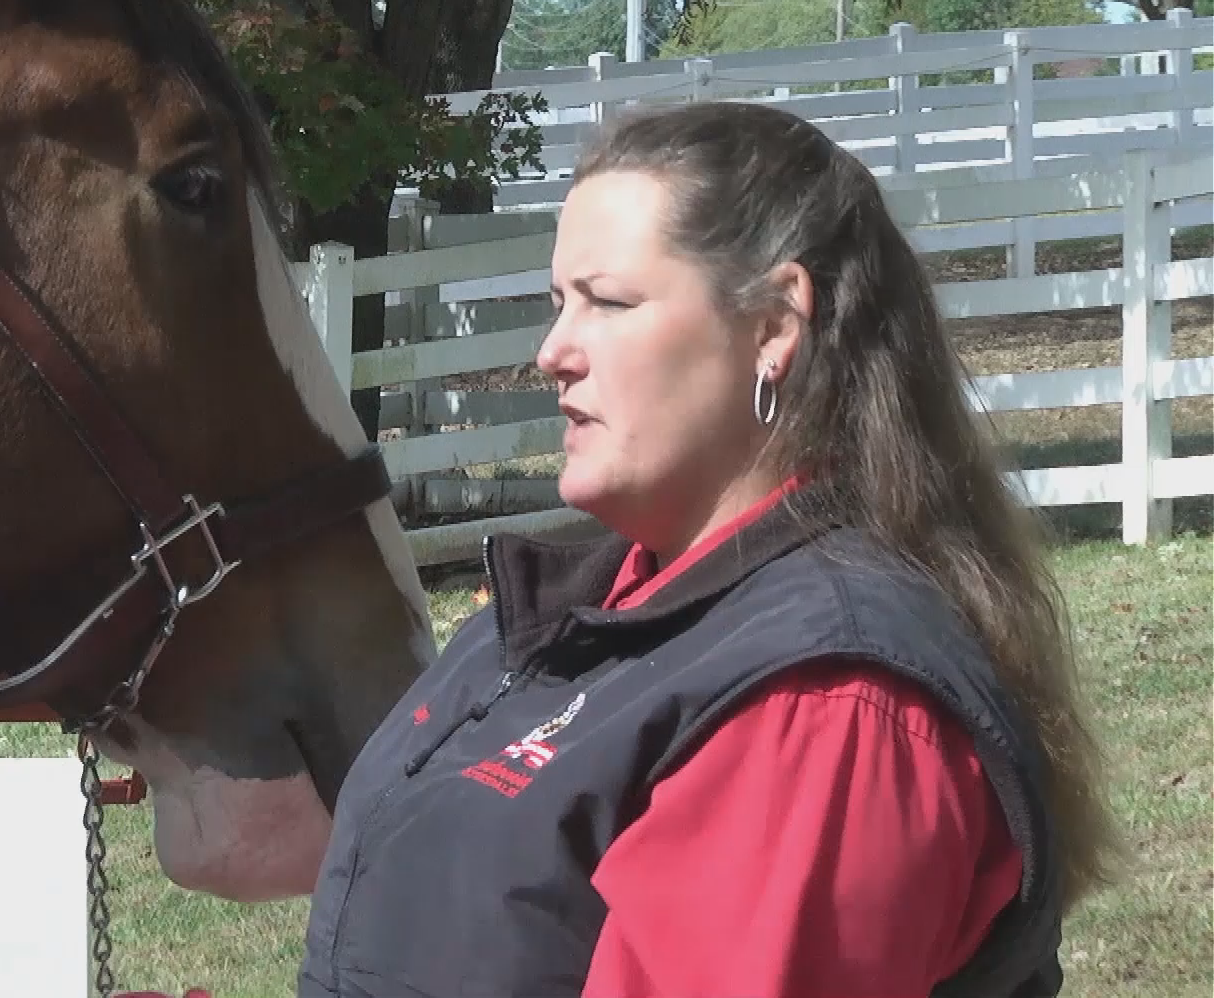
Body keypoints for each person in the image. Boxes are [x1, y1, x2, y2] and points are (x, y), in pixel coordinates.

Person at [291, 101, 1122, 998]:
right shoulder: (585, 606)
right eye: (557, 304)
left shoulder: (826, 703)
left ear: (773, 327)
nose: (551, 353)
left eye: (607, 302)